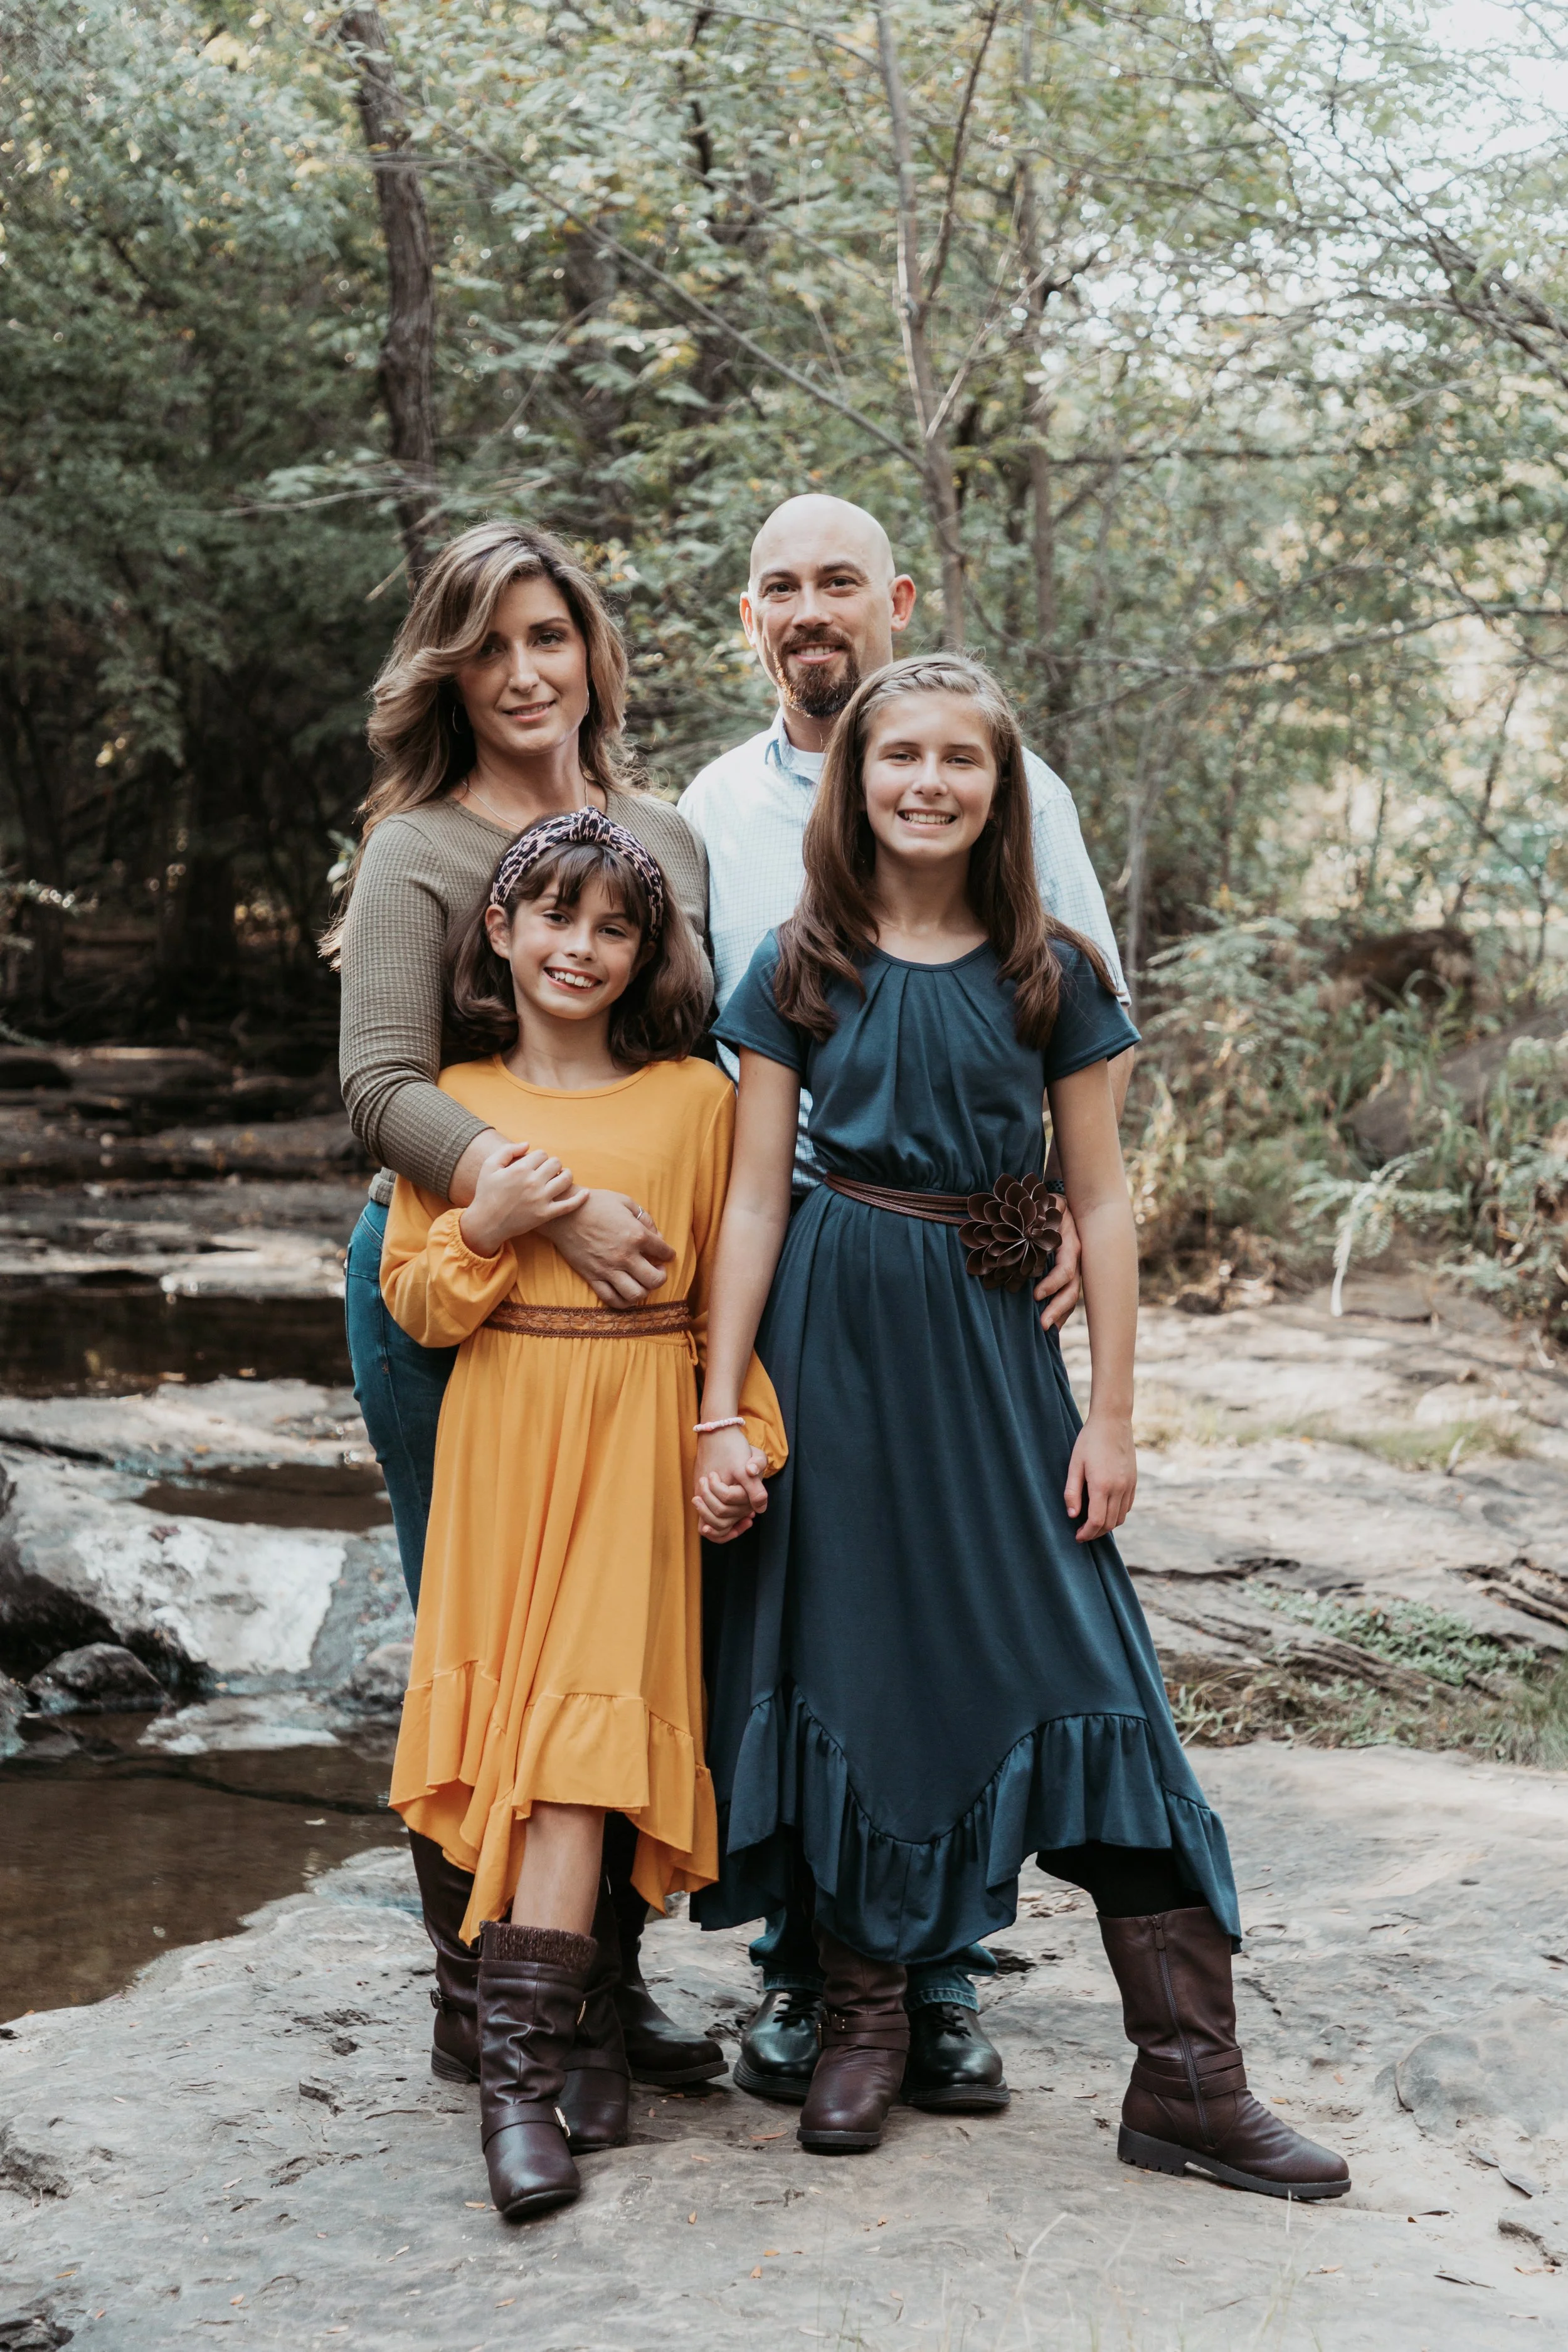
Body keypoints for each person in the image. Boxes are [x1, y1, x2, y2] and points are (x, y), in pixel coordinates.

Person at [689, 655, 1348, 2200]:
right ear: (848, 782)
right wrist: (720, 1408)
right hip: (828, 1337)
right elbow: (747, 1198)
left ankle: (1188, 2080)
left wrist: (1110, 1413)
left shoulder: (1050, 970)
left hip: (990, 1356)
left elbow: (1104, 1203)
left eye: (957, 761)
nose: (924, 781)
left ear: (1001, 790)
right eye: (893, 756)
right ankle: (861, 2023)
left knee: (1088, 1669)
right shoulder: (796, 966)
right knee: (844, 1664)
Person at [679, 493, 1134, 2112]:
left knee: (953, 1613)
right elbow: (707, 1069)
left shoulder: (1002, 774)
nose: (810, 607)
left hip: (969, 1272)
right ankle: (809, 1974)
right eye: (779, 585)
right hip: (806, 1255)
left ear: (893, 597)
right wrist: (713, 1378)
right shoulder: (713, 806)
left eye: (838, 582)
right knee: (809, 1614)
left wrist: (1067, 1231)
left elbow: (1067, 1013)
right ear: (751, 616)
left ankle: (937, 1978)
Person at [331, 522, 726, 2117]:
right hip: (457, 1297)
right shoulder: (417, 850)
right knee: (480, 1647)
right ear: (449, 667)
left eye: (547, 638)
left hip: (638, 1332)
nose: (521, 674)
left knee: (618, 1650)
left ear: (589, 652)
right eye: (487, 646)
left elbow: (687, 1045)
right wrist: (555, 1199)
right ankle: (469, 2006)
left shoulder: (663, 838)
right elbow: (377, 1088)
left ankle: (592, 2002)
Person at [379, 808, 785, 2219]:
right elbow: (417, 1303)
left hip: (629, 1451)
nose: (583, 948)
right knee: (505, 1751)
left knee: (574, 1763)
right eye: (554, 918)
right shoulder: (455, 1096)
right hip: (503, 1443)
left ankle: (516, 2101)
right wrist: (486, 1227)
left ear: (649, 949)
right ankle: (559, 2060)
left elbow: (732, 1304)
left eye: (616, 926)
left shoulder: (694, 1101)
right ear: (497, 930)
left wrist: (734, 1437)